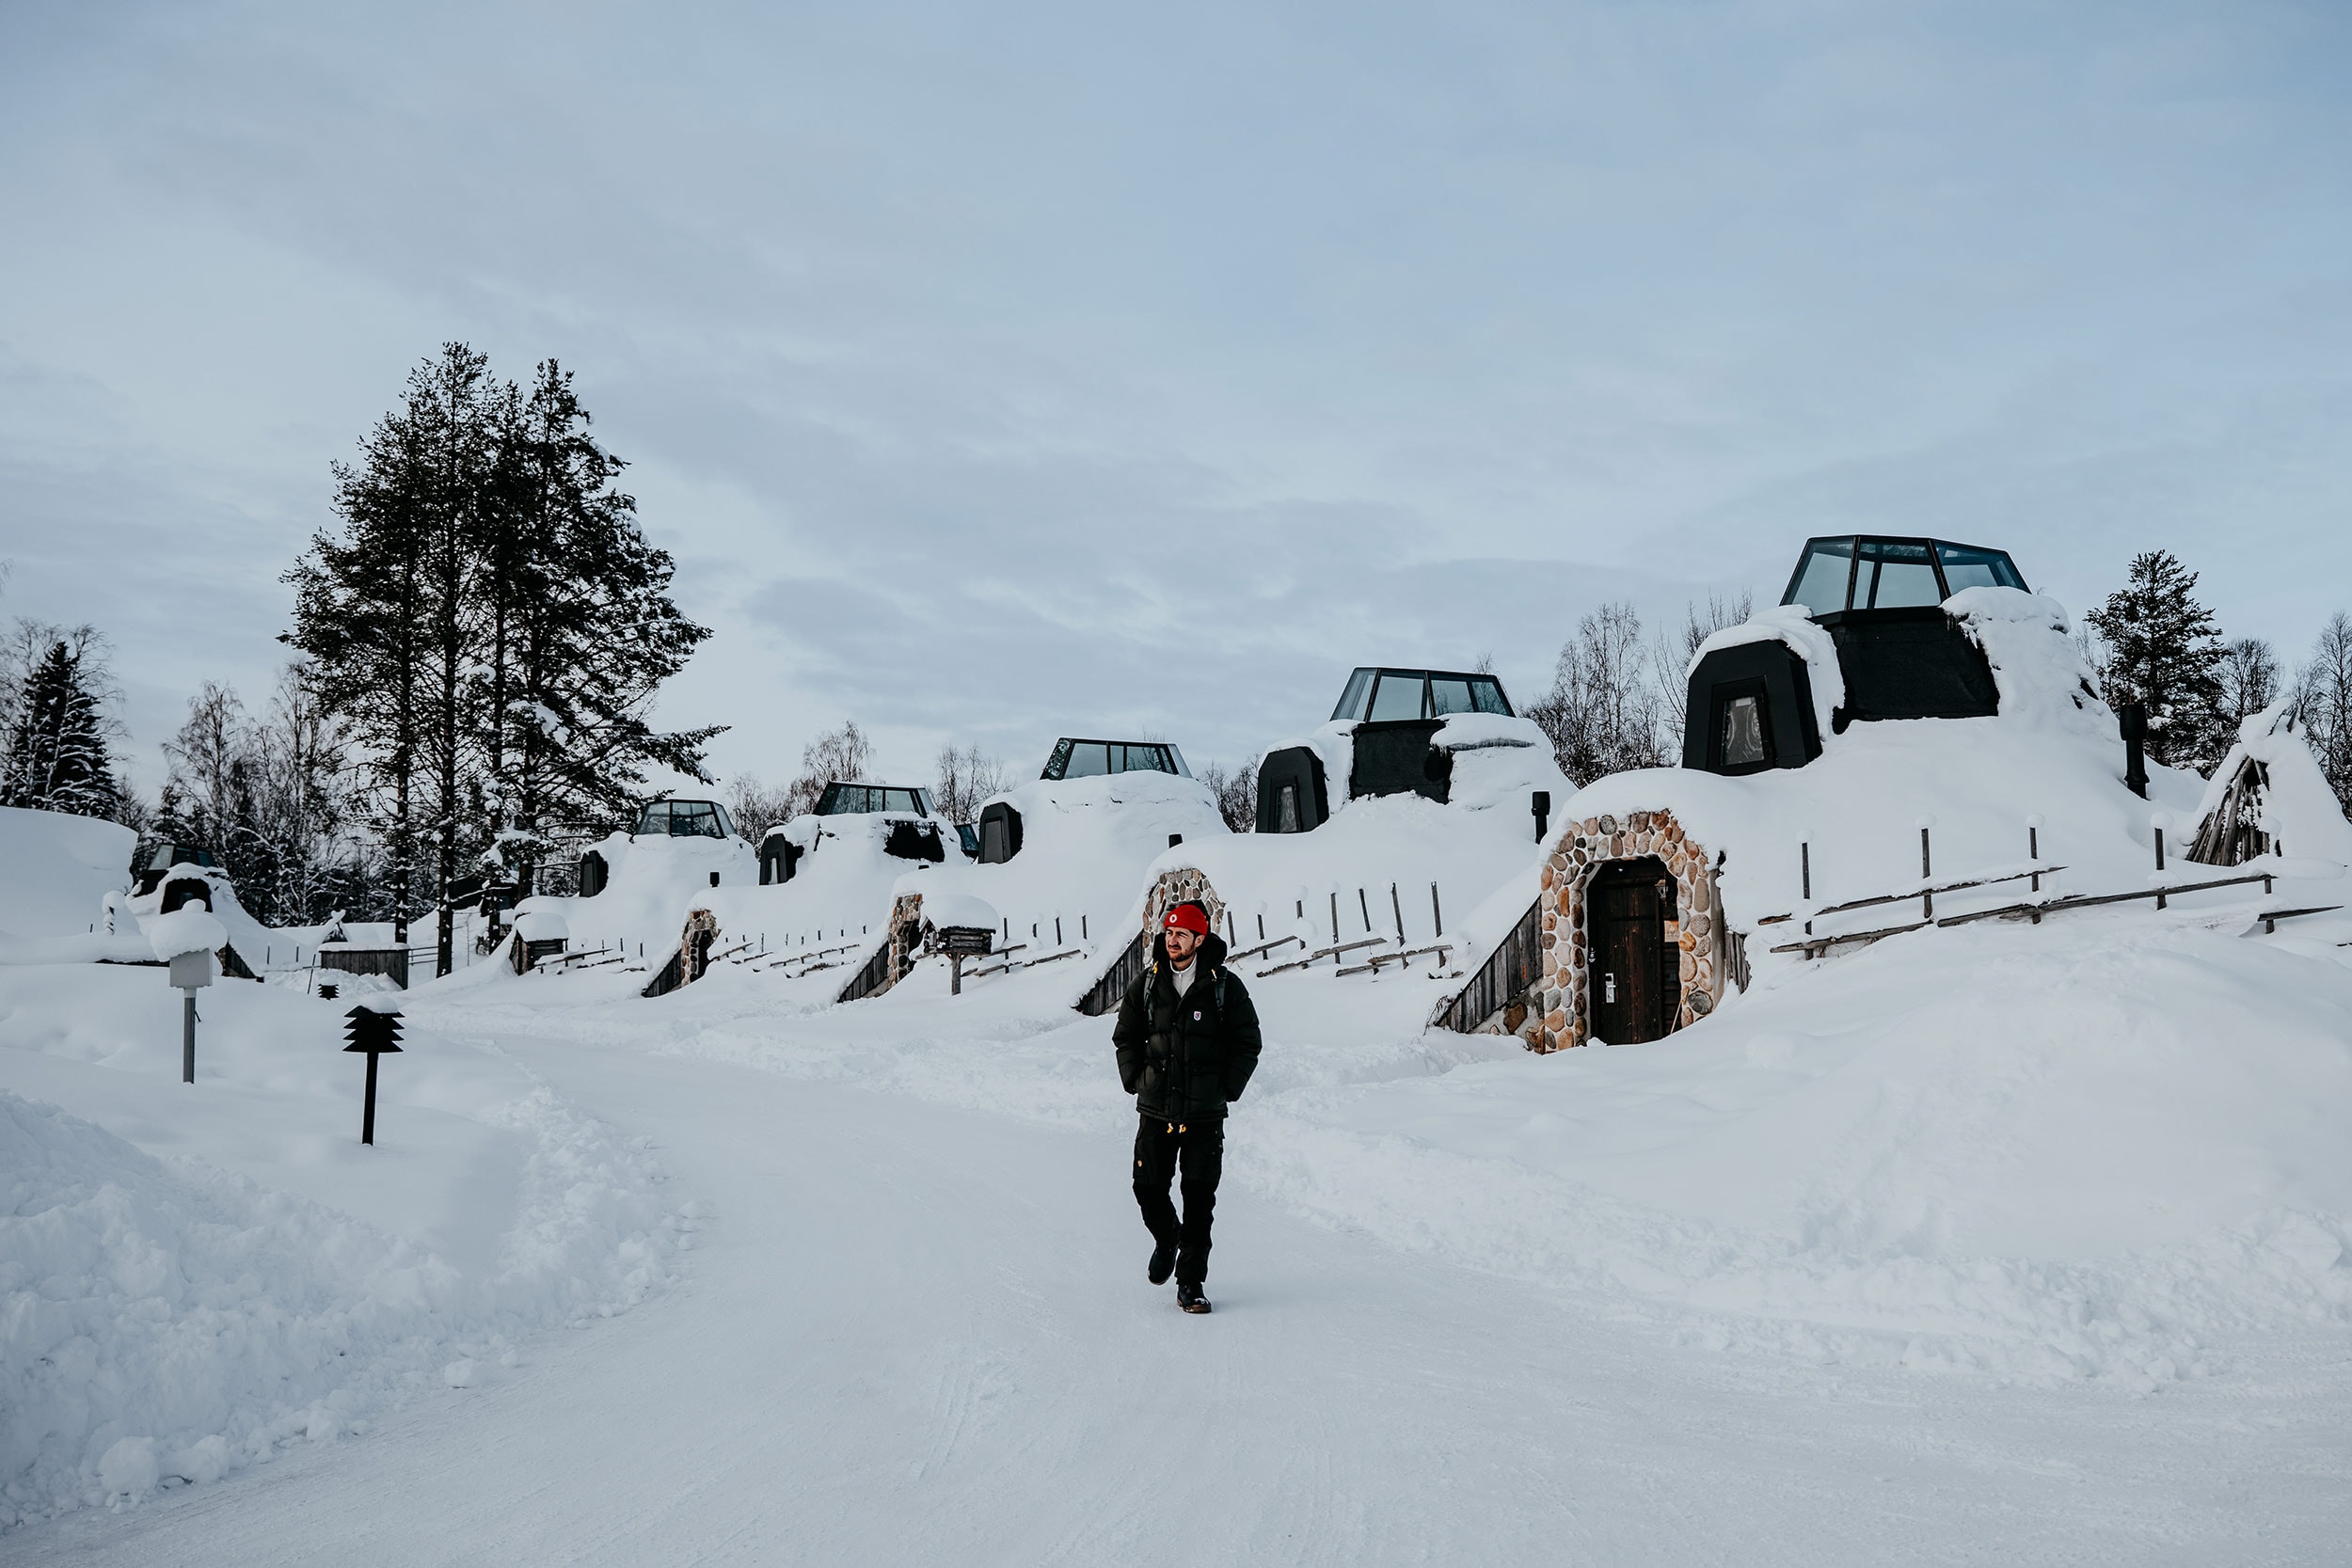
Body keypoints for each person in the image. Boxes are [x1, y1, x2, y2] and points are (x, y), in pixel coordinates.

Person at [1113, 899, 1262, 1314]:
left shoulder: (1224, 987)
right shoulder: (1146, 983)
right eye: (1169, 932)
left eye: (1181, 933)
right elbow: (1125, 1036)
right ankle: (1166, 1238)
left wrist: (1225, 1089)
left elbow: (1248, 1041)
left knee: (1199, 1201)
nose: (1172, 939)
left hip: (1203, 1116)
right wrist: (1136, 1080)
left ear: (1199, 938)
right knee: (1147, 1188)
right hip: (1156, 1111)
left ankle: (1190, 1284)